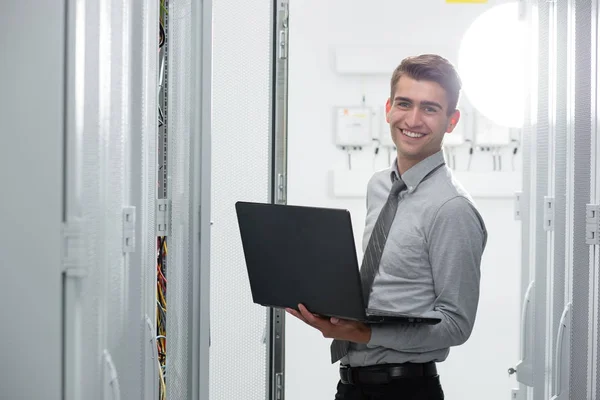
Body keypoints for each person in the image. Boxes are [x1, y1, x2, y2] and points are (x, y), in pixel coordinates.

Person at [286, 54, 488, 399]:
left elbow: (456, 325)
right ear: (388, 109)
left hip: (406, 389)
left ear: (451, 121)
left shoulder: (452, 209)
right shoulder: (379, 186)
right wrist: (332, 310)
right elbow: (386, 285)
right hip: (351, 385)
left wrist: (365, 334)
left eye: (429, 108)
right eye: (404, 103)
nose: (412, 119)